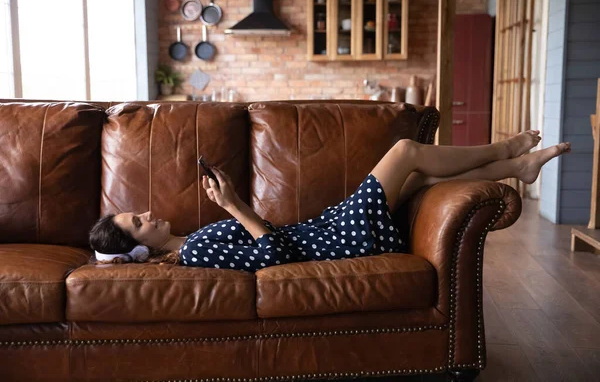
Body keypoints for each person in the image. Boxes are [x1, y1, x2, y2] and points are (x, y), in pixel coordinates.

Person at [88, 131, 571, 272]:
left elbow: (267, 238)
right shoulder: (192, 253)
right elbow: (272, 256)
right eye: (137, 221)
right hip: (335, 243)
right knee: (405, 152)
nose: (147, 213)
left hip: (325, 229)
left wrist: (234, 204)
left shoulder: (192, 240)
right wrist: (233, 205)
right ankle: (508, 151)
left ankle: (518, 168)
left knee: (420, 171)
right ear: (139, 248)